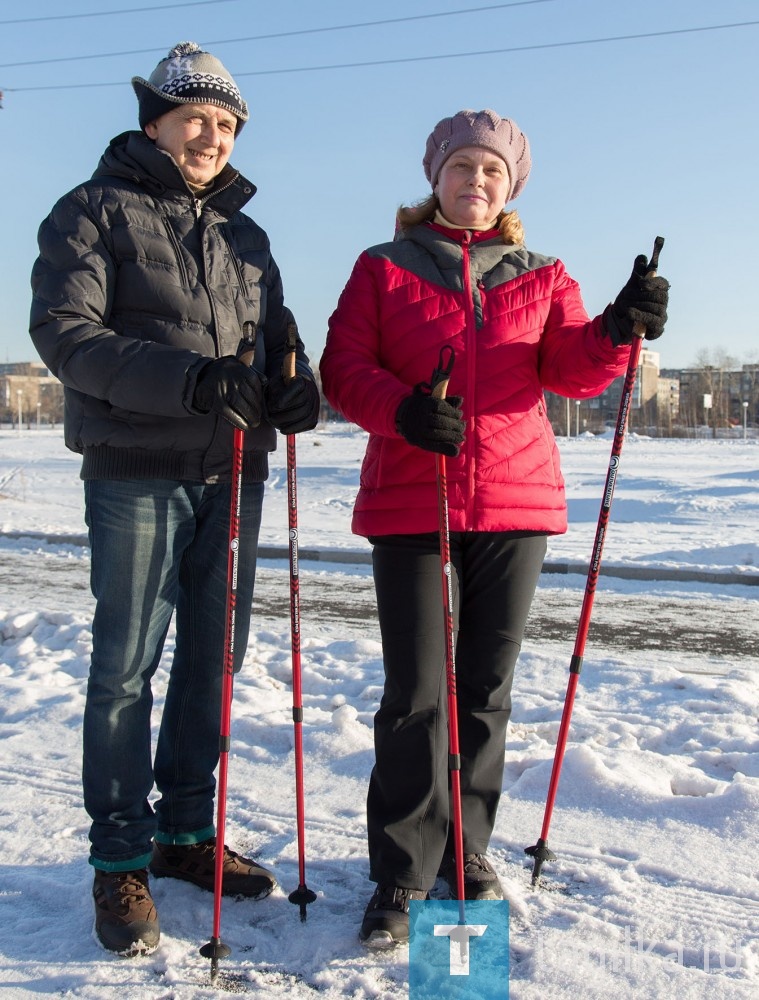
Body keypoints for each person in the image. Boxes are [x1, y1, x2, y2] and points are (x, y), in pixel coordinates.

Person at [319, 108, 669, 947]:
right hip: (413, 500)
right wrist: (403, 411)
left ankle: (465, 855)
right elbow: (343, 370)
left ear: (508, 188)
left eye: (491, 173)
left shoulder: (543, 274)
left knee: (483, 694)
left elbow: (569, 371)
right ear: (433, 176)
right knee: (417, 698)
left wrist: (618, 331)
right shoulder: (383, 267)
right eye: (460, 168)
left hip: (513, 504)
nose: (474, 183)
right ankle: (401, 877)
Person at [29, 42, 320, 956]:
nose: (211, 135)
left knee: (211, 664)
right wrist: (190, 382)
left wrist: (296, 384)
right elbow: (69, 337)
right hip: (137, 470)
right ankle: (119, 856)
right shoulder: (89, 211)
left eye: (226, 123)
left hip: (233, 471)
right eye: (195, 116)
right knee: (125, 667)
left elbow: (274, 337)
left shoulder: (247, 235)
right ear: (153, 118)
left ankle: (185, 833)